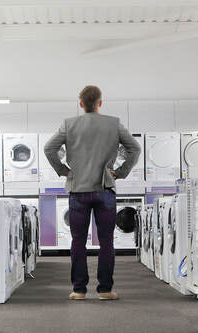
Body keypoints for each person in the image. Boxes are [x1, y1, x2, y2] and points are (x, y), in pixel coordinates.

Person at [44, 85, 142, 300]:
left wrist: (64, 171)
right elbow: (135, 148)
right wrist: (120, 172)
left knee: (78, 241)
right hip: (105, 189)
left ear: (81, 104)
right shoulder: (114, 124)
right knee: (107, 241)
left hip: (78, 190)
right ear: (100, 102)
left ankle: (79, 290)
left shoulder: (69, 124)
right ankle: (105, 290)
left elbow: (49, 148)